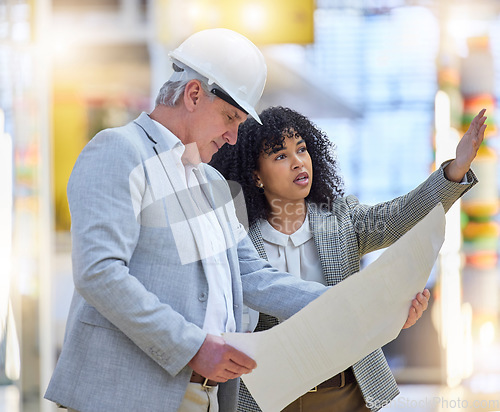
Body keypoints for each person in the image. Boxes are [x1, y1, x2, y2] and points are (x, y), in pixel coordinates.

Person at [45, 28, 429, 412]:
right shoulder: (120, 152)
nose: (233, 137)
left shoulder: (210, 182)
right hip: (126, 396)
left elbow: (253, 276)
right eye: (230, 117)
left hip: (205, 396)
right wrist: (192, 347)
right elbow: (100, 273)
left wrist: (369, 304)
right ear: (194, 94)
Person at [210, 106, 486, 412]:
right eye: (281, 156)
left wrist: (456, 170)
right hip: (268, 399)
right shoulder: (238, 237)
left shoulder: (341, 219)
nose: (298, 162)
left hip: (345, 393)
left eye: (301, 149)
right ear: (256, 175)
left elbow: (399, 215)